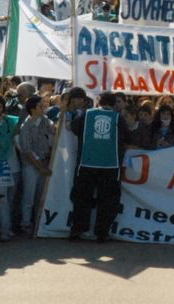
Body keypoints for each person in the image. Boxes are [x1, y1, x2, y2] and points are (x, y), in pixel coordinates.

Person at [69, 92, 126, 243]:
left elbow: (73, 128)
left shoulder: (87, 115)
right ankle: (102, 233)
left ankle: (77, 229)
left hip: (87, 163)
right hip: (110, 165)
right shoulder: (118, 118)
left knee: (81, 198)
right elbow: (126, 137)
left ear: (98, 102)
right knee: (108, 201)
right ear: (113, 103)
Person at [18, 94, 55, 234]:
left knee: (40, 196)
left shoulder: (44, 120)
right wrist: (40, 167)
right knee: (29, 196)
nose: (44, 108)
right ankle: (25, 223)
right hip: (31, 166)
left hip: (43, 164)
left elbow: (54, 130)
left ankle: (38, 223)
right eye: (40, 106)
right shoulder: (26, 126)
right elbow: (27, 151)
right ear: (33, 109)